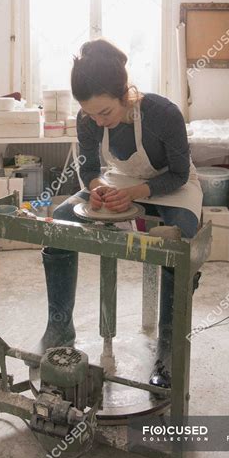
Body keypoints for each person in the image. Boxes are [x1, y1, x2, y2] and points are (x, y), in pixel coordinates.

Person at [35, 38, 203, 388]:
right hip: (118, 181)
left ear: (125, 94)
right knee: (61, 220)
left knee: (177, 239)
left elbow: (179, 173)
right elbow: (90, 168)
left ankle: (168, 346)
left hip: (171, 186)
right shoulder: (88, 118)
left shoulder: (163, 114)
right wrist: (97, 188)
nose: (97, 121)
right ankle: (59, 325)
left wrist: (135, 194)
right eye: (90, 113)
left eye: (105, 113)